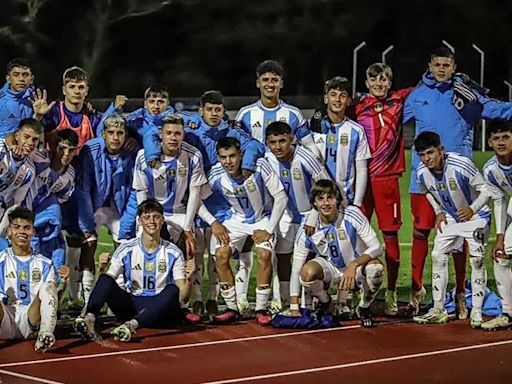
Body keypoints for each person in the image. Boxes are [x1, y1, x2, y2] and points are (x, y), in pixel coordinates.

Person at [404, 47, 512, 317]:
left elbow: (499, 110)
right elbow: (391, 121)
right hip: (424, 181)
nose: (441, 69)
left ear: (454, 67)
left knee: (461, 239)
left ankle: (462, 293)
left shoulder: (465, 95)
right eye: (437, 64)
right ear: (429, 64)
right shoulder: (416, 96)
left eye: (446, 65)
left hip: (461, 182)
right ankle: (417, 294)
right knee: (421, 234)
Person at [185, 90, 265, 317]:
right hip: (196, 198)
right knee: (197, 252)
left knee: (218, 252)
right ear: (201, 110)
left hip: (224, 204)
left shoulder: (231, 131)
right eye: (209, 109)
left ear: (223, 111)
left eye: (218, 109)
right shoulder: (192, 132)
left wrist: (247, 163)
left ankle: (214, 298)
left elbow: (255, 146)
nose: (213, 113)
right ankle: (198, 298)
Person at [73, 199, 194, 342]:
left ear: (162, 220)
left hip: (161, 311)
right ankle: (89, 319)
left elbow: (182, 298)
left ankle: (131, 325)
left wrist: (190, 279)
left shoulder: (173, 252)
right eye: (146, 217)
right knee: (106, 278)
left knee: (172, 290)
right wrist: (101, 270)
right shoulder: (125, 249)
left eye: (156, 217)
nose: (152, 222)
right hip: (132, 305)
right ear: (139, 221)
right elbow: (106, 286)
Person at [198, 137, 288, 325]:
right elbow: (197, 200)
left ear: (241, 155)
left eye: (232, 156)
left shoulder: (260, 166)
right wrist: (213, 222)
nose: (228, 162)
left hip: (263, 217)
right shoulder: (215, 174)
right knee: (221, 255)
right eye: (223, 157)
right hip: (235, 220)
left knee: (263, 254)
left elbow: (281, 197)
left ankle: (261, 309)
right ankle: (232, 308)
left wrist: (269, 229)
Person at [412, 132, 491, 328]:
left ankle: (477, 312)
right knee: (438, 255)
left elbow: (486, 190)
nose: (427, 158)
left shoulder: (461, 164)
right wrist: (438, 211)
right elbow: (426, 192)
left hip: (476, 216)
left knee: (478, 261)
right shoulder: (422, 171)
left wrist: (473, 209)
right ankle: (439, 309)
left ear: (441, 150)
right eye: (422, 154)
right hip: (450, 216)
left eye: (430, 153)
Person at [355, 63, 413, 316]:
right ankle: (356, 290)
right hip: (361, 180)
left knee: (390, 235)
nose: (379, 84)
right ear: (367, 83)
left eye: (383, 80)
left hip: (387, 178)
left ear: (390, 83)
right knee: (356, 234)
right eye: (374, 80)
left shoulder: (399, 100)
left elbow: (424, 86)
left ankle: (390, 292)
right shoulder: (357, 106)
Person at [290, 179, 383, 327]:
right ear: (314, 203)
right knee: (307, 272)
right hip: (332, 268)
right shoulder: (307, 227)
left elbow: (377, 247)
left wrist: (354, 264)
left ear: (338, 200)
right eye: (320, 199)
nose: (326, 203)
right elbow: (296, 267)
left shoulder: (352, 214)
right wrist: (294, 306)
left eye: (330, 198)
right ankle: (325, 301)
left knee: (375, 268)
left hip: (356, 267)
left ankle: (364, 307)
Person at [264, 121, 330, 311]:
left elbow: (325, 185)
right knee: (282, 258)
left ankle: (308, 302)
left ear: (291, 139)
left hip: (307, 216)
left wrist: (313, 215)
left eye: (282, 141)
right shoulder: (267, 159)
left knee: (307, 259)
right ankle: (284, 299)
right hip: (284, 217)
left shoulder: (305, 157)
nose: (278, 146)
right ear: (267, 143)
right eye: (273, 142)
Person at [76, 114, 138, 307]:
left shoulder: (133, 152)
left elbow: (135, 191)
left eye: (120, 133)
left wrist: (127, 224)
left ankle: (119, 297)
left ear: (126, 135)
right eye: (110, 133)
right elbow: (84, 189)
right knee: (89, 243)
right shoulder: (90, 150)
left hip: (119, 207)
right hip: (94, 205)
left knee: (124, 246)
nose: (115, 137)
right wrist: (86, 225)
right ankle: (87, 298)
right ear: (103, 134)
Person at [132, 113, 206, 257]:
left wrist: (188, 227)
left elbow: (194, 193)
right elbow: (141, 190)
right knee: (146, 254)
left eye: (177, 133)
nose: (173, 137)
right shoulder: (143, 156)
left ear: (183, 135)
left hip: (179, 213)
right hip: (152, 212)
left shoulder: (194, 156)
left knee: (188, 253)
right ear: (161, 134)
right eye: (169, 133)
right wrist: (144, 217)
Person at [0, 207, 61, 352]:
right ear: (9, 232)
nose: (22, 232)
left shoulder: (45, 263)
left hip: (32, 319)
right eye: (16, 227)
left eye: (27, 228)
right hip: (5, 319)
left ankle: (45, 334)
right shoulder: (1, 260)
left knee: (49, 286)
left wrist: (63, 282)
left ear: (33, 232)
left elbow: (51, 299)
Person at [235, 60, 322, 160]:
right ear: (258, 83)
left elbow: (310, 145)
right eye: (265, 80)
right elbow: (236, 147)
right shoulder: (244, 114)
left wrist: (316, 167)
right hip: (256, 172)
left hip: (287, 173)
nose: (270, 84)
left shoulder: (294, 114)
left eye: (275, 80)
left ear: (281, 84)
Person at [24, 129, 79, 275]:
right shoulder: (39, 157)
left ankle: (53, 281)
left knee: (55, 234)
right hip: (18, 209)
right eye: (62, 148)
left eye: (71, 150)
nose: (66, 154)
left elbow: (61, 199)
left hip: (39, 218)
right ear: (55, 146)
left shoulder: (70, 175)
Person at [312, 76, 371, 207]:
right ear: (326, 99)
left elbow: (361, 169)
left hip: (345, 202)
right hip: (316, 202)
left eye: (342, 95)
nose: (337, 100)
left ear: (349, 101)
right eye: (333, 95)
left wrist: (356, 204)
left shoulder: (356, 131)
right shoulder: (312, 130)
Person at [481, 122, 512, 329]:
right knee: (501, 255)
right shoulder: (490, 170)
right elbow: (499, 201)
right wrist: (499, 237)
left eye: (506, 137)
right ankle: (508, 313)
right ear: (490, 142)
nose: (501, 142)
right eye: (497, 138)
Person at [0, 118, 39, 228]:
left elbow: (14, 204)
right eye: (26, 137)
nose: (30, 143)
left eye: (35, 139)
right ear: (17, 136)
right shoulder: (1, 149)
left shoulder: (30, 171)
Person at [0, 58, 35, 138]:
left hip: (28, 147)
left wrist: (39, 116)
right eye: (16, 74)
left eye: (25, 75)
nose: (21, 79)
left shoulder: (37, 100)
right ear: (8, 79)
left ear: (32, 79)